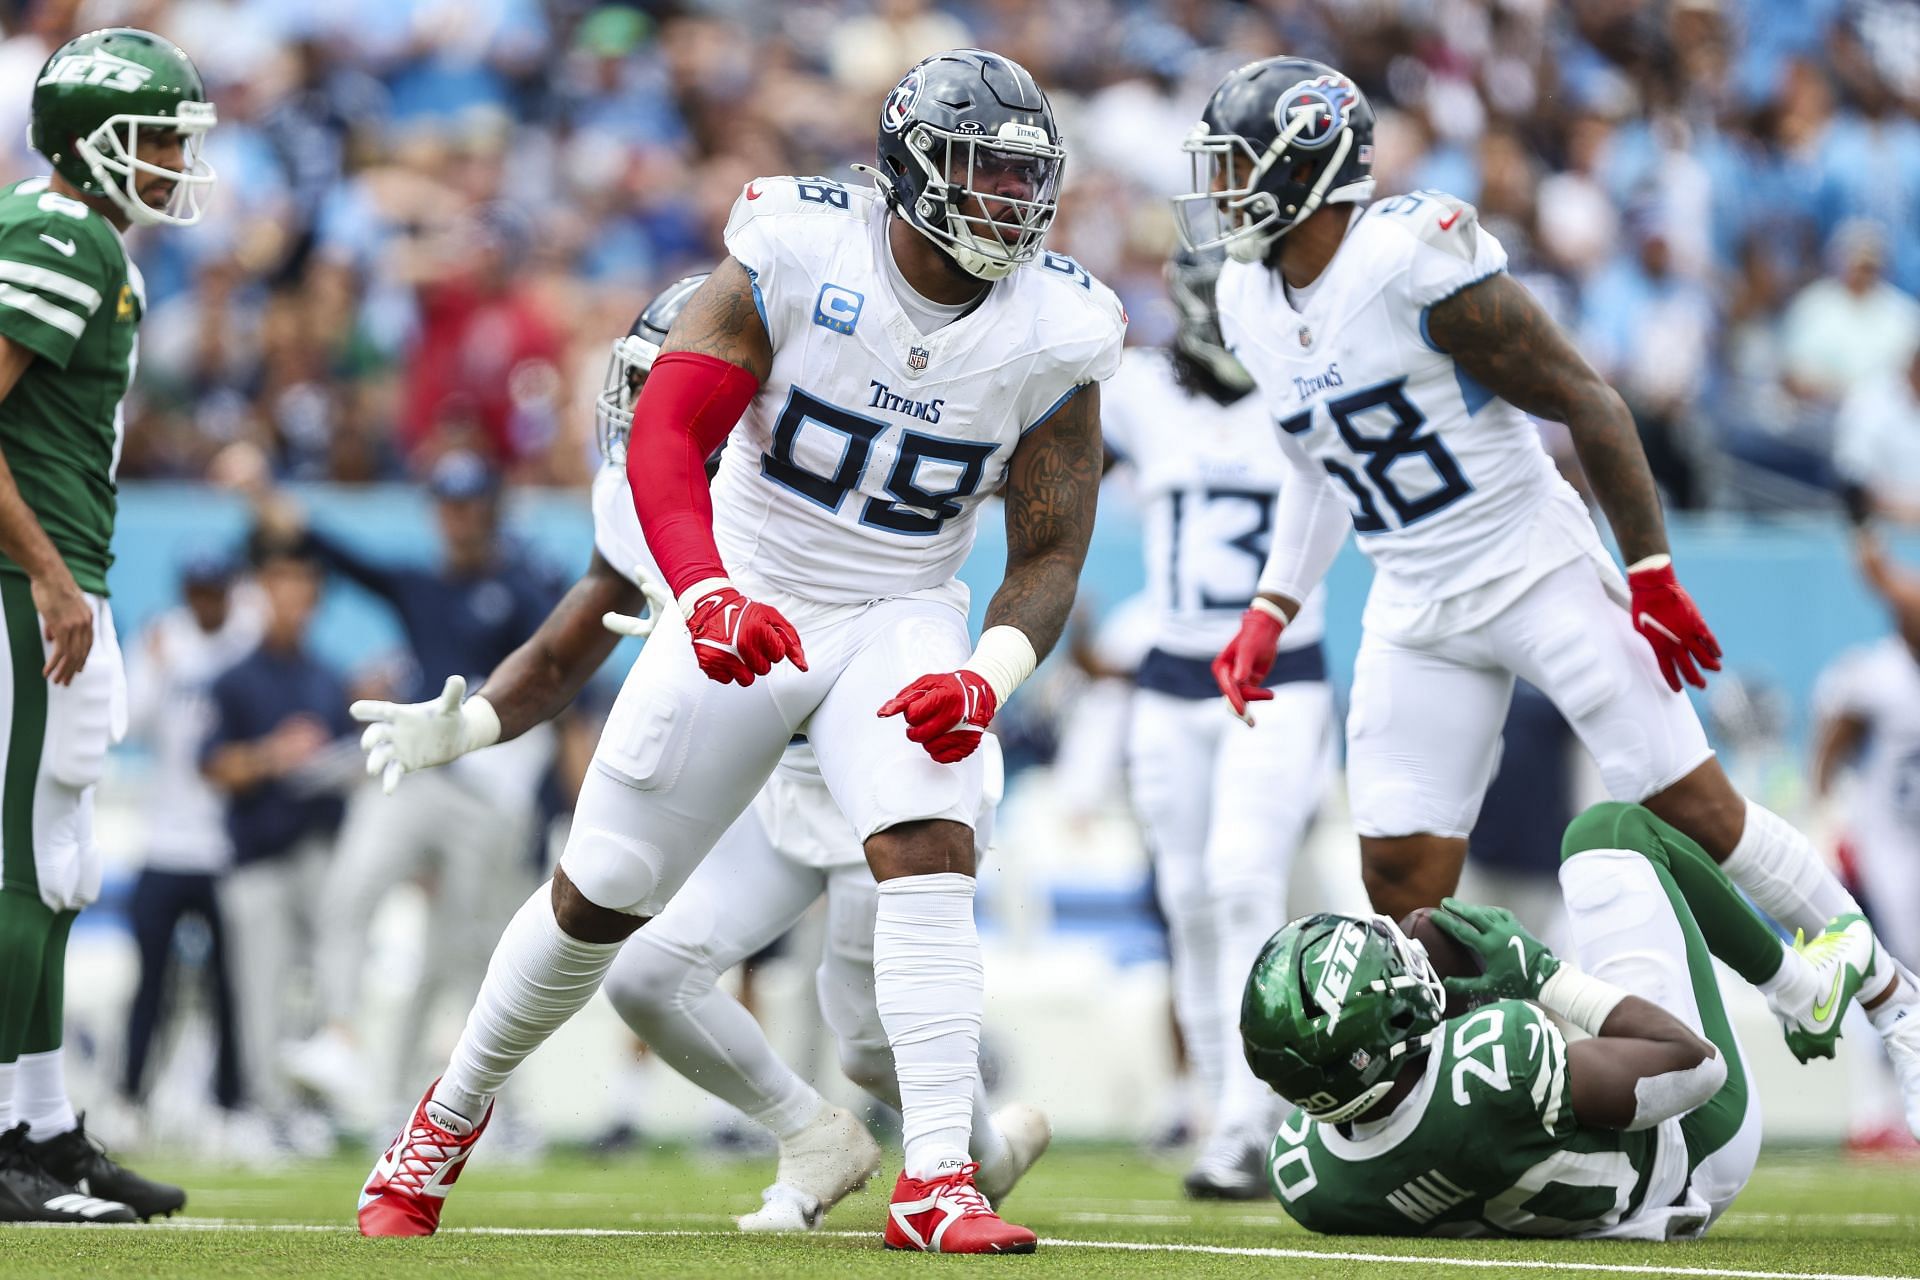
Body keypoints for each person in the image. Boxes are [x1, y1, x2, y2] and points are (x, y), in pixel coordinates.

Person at [358, 48, 1123, 1254]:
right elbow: (668, 433)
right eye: (982, 173)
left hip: (901, 607)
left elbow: (1050, 549)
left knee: (931, 834)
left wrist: (989, 673)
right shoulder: (801, 244)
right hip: (753, 583)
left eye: (1025, 179)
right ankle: (441, 1125)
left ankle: (936, 1177)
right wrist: (706, 591)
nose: (1007, 203)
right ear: (912, 170)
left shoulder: (1058, 327)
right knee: (602, 884)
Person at [1180, 55, 1920, 1134]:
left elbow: (1589, 399)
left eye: (1241, 162)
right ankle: (1441, 1098)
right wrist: (1271, 607)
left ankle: (1896, 1001)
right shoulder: (1248, 294)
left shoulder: (1407, 261)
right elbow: (1313, 461)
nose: (1224, 185)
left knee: (1694, 809)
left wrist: (1653, 572)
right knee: (1398, 877)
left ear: (1309, 165)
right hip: (1412, 595)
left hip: (1533, 564)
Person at [1242, 802, 1877, 1239]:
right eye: (1390, 971)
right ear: (1375, 1042)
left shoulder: (1305, 1177)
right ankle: (1800, 990)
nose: (1401, 951)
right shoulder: (1498, 1066)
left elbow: (1406, 1106)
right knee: (1609, 830)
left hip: (1529, 1173)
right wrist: (1543, 973)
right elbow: (1694, 1066)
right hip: (1693, 1152)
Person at [0, 26, 216, 1225]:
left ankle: (41, 1123)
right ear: (93, 139)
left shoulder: (83, 241)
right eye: (161, 137)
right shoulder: (59, 235)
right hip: (26, 578)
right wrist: (43, 570)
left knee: (61, 864)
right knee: (23, 865)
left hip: (61, 572)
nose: (177, 160)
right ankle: (1, 1142)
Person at [1103, 247, 1334, 1198]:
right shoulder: (1147, 394)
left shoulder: (1305, 387)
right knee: (1190, 905)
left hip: (1280, 678)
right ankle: (1220, 1117)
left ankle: (1253, 1117)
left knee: (1246, 882)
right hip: (1168, 683)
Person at [239, 447, 564, 1119]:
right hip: (418, 776)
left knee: (463, 952)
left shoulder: (524, 589)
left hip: (489, 794)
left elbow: (561, 685)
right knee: (349, 892)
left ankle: (459, 1102)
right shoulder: (422, 587)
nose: (457, 519)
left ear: (490, 511)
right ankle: (339, 1035)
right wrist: (259, 488)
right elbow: (329, 547)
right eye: (447, 506)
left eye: (469, 505)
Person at [200, 539, 356, 1122]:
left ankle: (311, 1107)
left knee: (329, 981)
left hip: (320, 851)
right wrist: (274, 756)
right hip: (260, 855)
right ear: (263, 591)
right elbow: (213, 767)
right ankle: (262, 1110)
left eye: (303, 585)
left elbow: (344, 760)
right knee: (259, 987)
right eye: (281, 582)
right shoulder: (234, 679)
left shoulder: (327, 678)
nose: (293, 596)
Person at [119, 551, 262, 1118]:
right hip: (165, 840)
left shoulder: (248, 636)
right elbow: (127, 724)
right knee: (150, 983)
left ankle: (230, 1105)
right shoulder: (163, 638)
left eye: (217, 589)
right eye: (198, 590)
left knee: (231, 988)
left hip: (229, 845)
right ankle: (131, 1096)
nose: (208, 600)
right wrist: (155, 669)